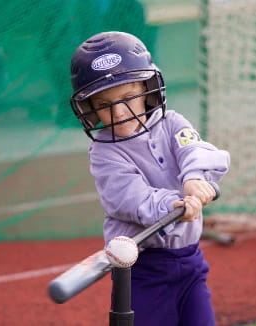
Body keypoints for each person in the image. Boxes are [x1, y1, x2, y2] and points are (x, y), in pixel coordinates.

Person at [69, 31, 230, 325]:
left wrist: (194, 178)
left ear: (148, 87)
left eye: (129, 97)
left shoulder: (172, 123)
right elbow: (130, 199)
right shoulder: (103, 152)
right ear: (89, 109)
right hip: (143, 270)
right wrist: (176, 203)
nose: (119, 112)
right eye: (104, 105)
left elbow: (195, 150)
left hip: (191, 263)